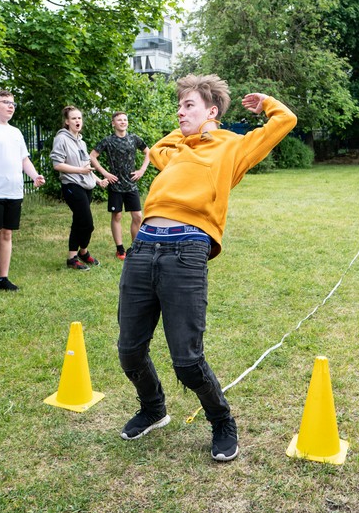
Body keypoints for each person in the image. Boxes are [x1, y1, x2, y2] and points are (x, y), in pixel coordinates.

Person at [116, 74, 297, 462]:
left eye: (189, 106)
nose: (180, 113)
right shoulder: (178, 150)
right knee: (129, 351)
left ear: (212, 111)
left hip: (186, 249)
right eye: (179, 106)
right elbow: (159, 148)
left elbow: (285, 121)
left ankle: (221, 420)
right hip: (143, 247)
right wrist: (189, 131)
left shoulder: (233, 147)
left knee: (187, 361)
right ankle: (153, 408)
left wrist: (265, 102)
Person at [0, 90, 46, 301]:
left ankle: (2, 279)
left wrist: (35, 175)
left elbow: (24, 160)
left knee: (7, 235)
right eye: (6, 102)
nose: (11, 106)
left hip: (13, 192)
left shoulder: (16, 132)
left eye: (13, 103)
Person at [50, 106, 108, 270]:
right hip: (71, 185)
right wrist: (80, 171)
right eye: (74, 118)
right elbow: (57, 165)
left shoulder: (81, 142)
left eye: (79, 118)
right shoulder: (61, 139)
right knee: (87, 223)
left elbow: (86, 167)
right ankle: (81, 253)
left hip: (86, 186)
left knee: (78, 221)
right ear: (67, 122)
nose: (77, 121)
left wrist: (98, 181)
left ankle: (76, 256)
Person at [89, 112, 150, 260]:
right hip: (115, 184)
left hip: (131, 184)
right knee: (117, 215)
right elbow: (92, 156)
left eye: (125, 120)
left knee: (138, 216)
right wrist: (105, 173)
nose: (123, 122)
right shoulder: (108, 140)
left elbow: (149, 152)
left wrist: (141, 170)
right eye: (119, 120)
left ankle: (135, 247)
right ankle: (120, 249)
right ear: (113, 123)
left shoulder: (134, 138)